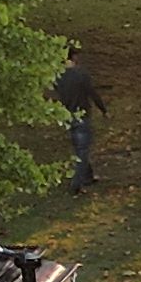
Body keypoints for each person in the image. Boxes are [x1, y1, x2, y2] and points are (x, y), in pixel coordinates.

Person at [52, 41, 99, 190]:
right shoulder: (81, 74)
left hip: (67, 115)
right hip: (82, 115)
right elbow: (92, 93)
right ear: (73, 56)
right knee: (82, 151)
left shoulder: (58, 76)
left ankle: (88, 176)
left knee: (79, 147)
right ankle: (76, 183)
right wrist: (103, 109)